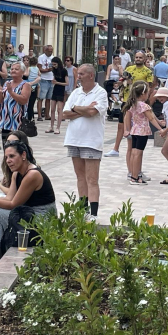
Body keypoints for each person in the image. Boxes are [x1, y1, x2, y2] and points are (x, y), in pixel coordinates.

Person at [0, 140, 56, 274]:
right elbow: (9, 199)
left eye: (12, 156)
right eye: (6, 157)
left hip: (40, 218)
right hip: (25, 212)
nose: (8, 160)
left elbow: (13, 204)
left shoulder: (32, 175)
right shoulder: (16, 173)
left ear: (23, 155)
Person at [63, 64, 108, 220]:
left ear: (90, 75)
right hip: (74, 139)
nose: (78, 76)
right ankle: (83, 211)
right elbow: (65, 114)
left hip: (91, 141)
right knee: (80, 177)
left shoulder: (101, 93)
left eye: (81, 73)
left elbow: (91, 112)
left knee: (92, 179)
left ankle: (94, 213)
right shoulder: (76, 92)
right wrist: (80, 108)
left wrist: (76, 109)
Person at [0, 61, 32, 141]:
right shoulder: (7, 83)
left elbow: (23, 100)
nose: (13, 71)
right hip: (6, 122)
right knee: (6, 146)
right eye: (12, 69)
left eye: (16, 69)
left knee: (17, 147)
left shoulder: (26, 85)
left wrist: (11, 92)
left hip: (18, 122)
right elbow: (0, 101)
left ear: (22, 72)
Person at [46, 57, 68, 134]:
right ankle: (51, 126)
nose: (54, 66)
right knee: (52, 109)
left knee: (59, 109)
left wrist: (57, 83)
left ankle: (58, 127)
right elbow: (54, 79)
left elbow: (67, 83)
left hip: (61, 90)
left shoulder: (64, 71)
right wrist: (54, 81)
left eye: (55, 64)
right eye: (53, 64)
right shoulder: (54, 70)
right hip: (55, 90)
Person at [37, 44, 55, 121]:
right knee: (41, 98)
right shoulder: (41, 57)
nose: (50, 53)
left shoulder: (53, 58)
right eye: (49, 51)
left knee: (49, 98)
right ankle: (39, 115)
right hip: (43, 79)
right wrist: (48, 70)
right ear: (45, 50)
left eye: (51, 51)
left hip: (51, 79)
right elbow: (40, 69)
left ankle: (47, 115)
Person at [24, 55, 41, 121]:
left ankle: (29, 117)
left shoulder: (29, 68)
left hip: (29, 82)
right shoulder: (37, 68)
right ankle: (38, 96)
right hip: (35, 83)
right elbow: (39, 74)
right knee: (38, 86)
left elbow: (27, 74)